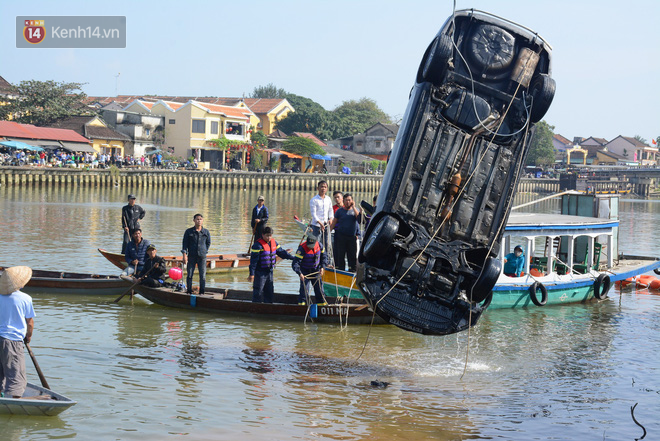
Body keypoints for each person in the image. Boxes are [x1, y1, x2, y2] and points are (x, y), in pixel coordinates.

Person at [0, 266, 35, 399]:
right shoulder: (25, 298)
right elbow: (30, 322)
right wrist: (28, 336)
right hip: (12, 340)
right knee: (16, 376)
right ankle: (14, 401)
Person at [247, 227, 294, 303]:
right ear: (262, 235)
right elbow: (253, 261)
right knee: (258, 290)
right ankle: (256, 306)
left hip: (270, 271)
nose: (269, 238)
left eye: (270, 235)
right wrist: (251, 274)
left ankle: (268, 305)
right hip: (260, 272)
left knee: (269, 290)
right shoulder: (257, 245)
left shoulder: (274, 243)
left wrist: (293, 258)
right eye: (267, 236)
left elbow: (282, 252)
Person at [292, 233, 328, 305]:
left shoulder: (320, 246)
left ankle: (321, 304)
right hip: (305, 272)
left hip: (316, 271)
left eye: (312, 246)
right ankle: (302, 305)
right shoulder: (301, 249)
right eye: (309, 245)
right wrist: (300, 273)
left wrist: (322, 268)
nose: (310, 247)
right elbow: (295, 263)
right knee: (304, 291)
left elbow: (324, 257)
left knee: (319, 290)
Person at [329, 193, 362, 272]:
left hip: (352, 237)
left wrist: (354, 207)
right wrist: (328, 232)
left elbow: (359, 220)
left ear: (352, 201)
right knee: (341, 255)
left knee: (352, 256)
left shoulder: (355, 210)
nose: (348, 202)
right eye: (346, 200)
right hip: (341, 236)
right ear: (343, 201)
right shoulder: (339, 211)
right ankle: (341, 270)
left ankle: (352, 270)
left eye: (349, 200)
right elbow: (333, 223)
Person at [182, 213, 211, 295]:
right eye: (197, 219)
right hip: (191, 256)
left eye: (200, 219)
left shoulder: (206, 232)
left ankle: (202, 292)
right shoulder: (189, 231)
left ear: (203, 221)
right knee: (190, 274)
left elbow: (208, 243)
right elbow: (185, 244)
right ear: (194, 220)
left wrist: (205, 250)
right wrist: (184, 255)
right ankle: (189, 291)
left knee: (202, 276)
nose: (199, 221)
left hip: (202, 257)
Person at [309, 180, 334, 250]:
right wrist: (320, 223)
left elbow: (330, 210)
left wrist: (331, 219)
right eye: (322, 187)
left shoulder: (328, 199)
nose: (323, 188)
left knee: (326, 244)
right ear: (318, 188)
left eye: (325, 187)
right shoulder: (314, 200)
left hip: (326, 225)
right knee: (316, 244)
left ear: (327, 189)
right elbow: (313, 214)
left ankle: (325, 259)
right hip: (316, 226)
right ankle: (316, 259)